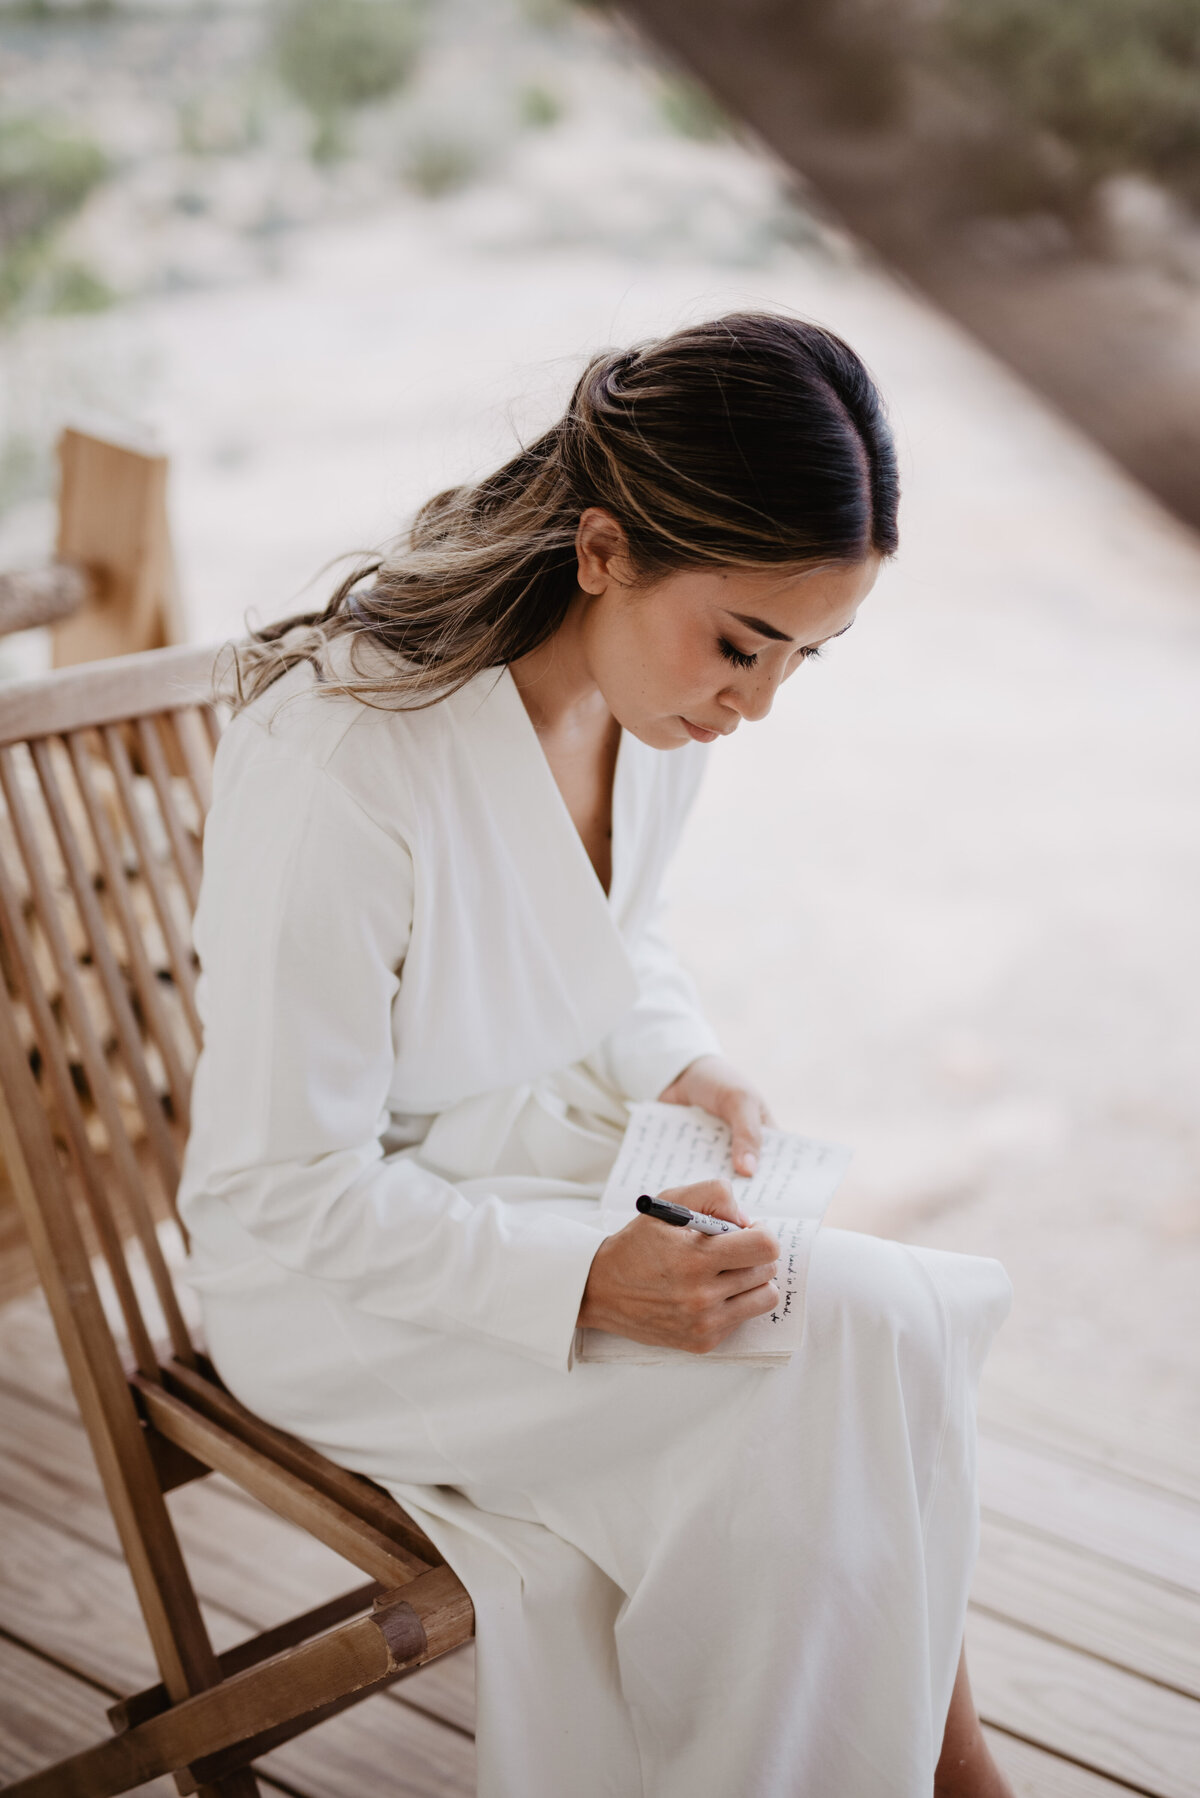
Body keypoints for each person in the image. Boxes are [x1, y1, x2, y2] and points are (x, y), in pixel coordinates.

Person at [178, 311, 1015, 1798]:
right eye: (743, 643)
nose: (753, 704)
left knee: (870, 1330)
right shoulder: (347, 757)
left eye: (803, 661)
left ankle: (940, 1769)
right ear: (603, 548)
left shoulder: (651, 717)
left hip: (526, 1161)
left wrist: (684, 1063)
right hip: (339, 1281)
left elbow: (617, 939)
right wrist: (581, 1277)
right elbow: (275, 1186)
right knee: (808, 1379)